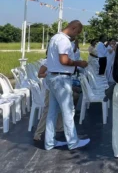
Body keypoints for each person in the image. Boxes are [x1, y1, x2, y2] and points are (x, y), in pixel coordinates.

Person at [44, 20, 90, 150]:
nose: (77, 35)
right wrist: (79, 63)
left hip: (52, 77)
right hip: (61, 79)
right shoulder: (64, 40)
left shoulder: (55, 38)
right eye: (77, 32)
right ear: (73, 28)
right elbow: (64, 60)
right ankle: (73, 142)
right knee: (68, 112)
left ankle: (49, 142)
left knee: (52, 113)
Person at [33, 53, 64, 141]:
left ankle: (60, 127)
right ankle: (38, 133)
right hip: (50, 89)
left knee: (61, 107)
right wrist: (50, 75)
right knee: (47, 110)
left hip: (58, 88)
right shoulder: (47, 62)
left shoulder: (59, 62)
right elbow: (40, 74)